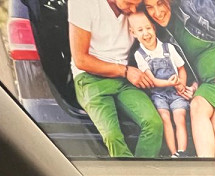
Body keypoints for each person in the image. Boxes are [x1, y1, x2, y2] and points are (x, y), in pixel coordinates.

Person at [144, 0, 215, 158]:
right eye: (149, 7)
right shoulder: (161, 34)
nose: (157, 13)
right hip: (208, 84)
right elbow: (188, 67)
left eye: (160, 3)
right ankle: (206, 166)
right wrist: (193, 86)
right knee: (197, 105)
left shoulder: (192, 5)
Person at [68, 0, 163, 158]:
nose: (133, 9)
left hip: (123, 78)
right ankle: (130, 173)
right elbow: (81, 60)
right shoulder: (83, 3)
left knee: (154, 124)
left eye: (137, 4)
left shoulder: (135, 9)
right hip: (90, 78)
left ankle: (141, 171)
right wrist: (125, 71)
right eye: (129, 3)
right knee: (113, 137)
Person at [128, 11, 192, 157]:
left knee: (179, 117)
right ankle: (173, 152)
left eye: (148, 28)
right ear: (133, 33)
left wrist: (181, 84)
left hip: (176, 91)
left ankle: (181, 152)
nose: (146, 33)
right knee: (165, 118)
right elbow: (152, 80)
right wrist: (169, 82)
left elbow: (181, 69)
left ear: (154, 28)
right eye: (140, 30)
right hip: (158, 94)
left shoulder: (168, 48)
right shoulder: (139, 55)